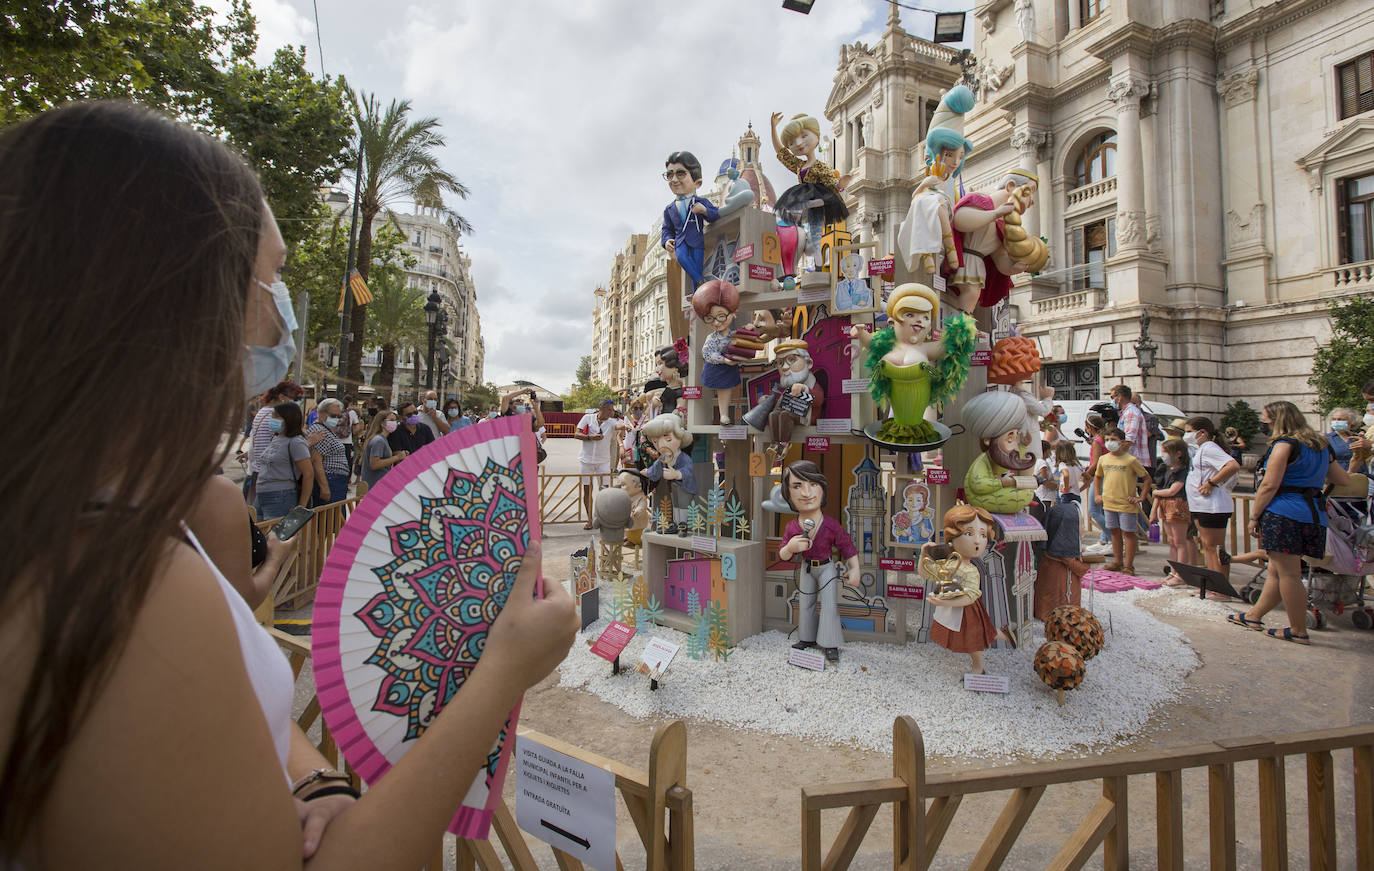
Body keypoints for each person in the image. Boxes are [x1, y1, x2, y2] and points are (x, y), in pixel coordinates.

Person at [0, 101, 579, 868]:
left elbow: (239, 725)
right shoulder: (121, 593)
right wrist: (506, 665)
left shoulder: (125, 521)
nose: (282, 321)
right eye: (270, 277)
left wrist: (312, 786)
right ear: (181, 298)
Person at [1227, 401, 1349, 644]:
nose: (1264, 424)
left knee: (1289, 575)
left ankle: (1298, 630)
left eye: (1266, 420)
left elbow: (1269, 485)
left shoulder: (1284, 445)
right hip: (1313, 515)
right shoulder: (1322, 446)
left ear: (1277, 420)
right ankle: (1254, 615)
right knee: (1276, 570)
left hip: (1284, 513)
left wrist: (1254, 517)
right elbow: (1341, 478)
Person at [777, 461, 861, 664]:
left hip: (826, 567)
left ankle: (830, 643)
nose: (806, 493)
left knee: (829, 604)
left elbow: (846, 545)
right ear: (788, 494)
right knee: (805, 603)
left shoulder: (831, 525)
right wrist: (790, 548)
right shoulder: (792, 527)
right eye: (797, 486)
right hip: (806, 567)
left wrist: (855, 568)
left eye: (813, 484)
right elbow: (783, 554)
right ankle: (806, 638)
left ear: (822, 488)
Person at [1184, 416, 1242, 582]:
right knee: (1208, 547)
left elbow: (1232, 465)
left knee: (1214, 548)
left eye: (1189, 432)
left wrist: (1211, 483)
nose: (1186, 436)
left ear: (1202, 432)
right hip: (1200, 505)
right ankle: (1214, 584)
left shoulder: (1209, 447)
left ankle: (1221, 585)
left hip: (1212, 506)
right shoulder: (1201, 449)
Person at [1093, 426, 1149, 574]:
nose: (1109, 442)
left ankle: (1129, 565)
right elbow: (1097, 477)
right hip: (1109, 502)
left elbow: (1146, 478)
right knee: (1114, 531)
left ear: (1122, 442)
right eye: (1107, 440)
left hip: (1126, 503)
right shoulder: (1103, 459)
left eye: (1113, 439)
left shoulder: (1131, 460)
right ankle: (1117, 561)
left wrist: (1141, 497)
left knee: (1129, 533)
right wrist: (1097, 495)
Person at [659, 151, 719, 288]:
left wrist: (704, 210)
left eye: (680, 174)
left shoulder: (701, 201)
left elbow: (716, 214)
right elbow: (667, 229)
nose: (674, 179)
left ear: (697, 182)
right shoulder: (669, 209)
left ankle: (698, 293)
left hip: (696, 241)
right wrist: (667, 240)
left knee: (696, 268)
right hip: (680, 242)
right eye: (669, 175)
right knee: (681, 257)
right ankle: (701, 282)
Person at [239, 380, 303, 504]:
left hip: (258, 473)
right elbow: (288, 444)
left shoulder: (263, 412)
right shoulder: (274, 416)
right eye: (295, 399)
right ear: (282, 397)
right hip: (272, 478)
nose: (297, 402)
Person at [254, 401, 314, 521]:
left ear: (288, 418)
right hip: (262, 495)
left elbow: (308, 474)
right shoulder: (276, 438)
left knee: (275, 537)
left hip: (280, 496)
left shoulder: (296, 442)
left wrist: (301, 507)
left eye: (276, 416)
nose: (272, 419)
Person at [1151, 438, 1193, 585]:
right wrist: (1154, 509)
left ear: (1178, 453)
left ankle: (1181, 574)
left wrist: (1157, 493)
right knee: (1172, 541)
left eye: (1166, 452)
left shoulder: (1183, 471)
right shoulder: (1166, 469)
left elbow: (1173, 490)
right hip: (1165, 504)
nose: (1163, 455)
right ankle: (1173, 571)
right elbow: (1161, 489)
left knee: (1180, 541)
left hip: (1177, 505)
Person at [575, 399, 618, 529]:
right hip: (586, 460)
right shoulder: (588, 418)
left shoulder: (612, 422)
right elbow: (576, 434)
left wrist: (626, 427)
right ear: (602, 408)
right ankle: (589, 519)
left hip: (603, 461)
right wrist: (590, 438)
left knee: (604, 491)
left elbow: (619, 426)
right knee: (587, 490)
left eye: (613, 410)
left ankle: (602, 519)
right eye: (609, 409)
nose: (612, 412)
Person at [305, 398, 350, 507]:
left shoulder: (327, 429)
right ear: (320, 413)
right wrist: (324, 487)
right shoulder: (319, 431)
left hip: (336, 481)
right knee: (330, 519)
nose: (336, 419)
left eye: (338, 416)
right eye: (333, 416)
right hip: (330, 480)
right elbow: (316, 461)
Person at [1082, 412, 1112, 554]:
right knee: (1102, 510)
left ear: (1089, 427)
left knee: (1093, 510)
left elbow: (1096, 462)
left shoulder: (1097, 441)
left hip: (1100, 477)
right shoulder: (1104, 439)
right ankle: (1104, 539)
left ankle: (1113, 539)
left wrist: (1086, 475)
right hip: (1107, 475)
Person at [360, 410, 407, 490]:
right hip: (375, 485)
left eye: (395, 420)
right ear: (382, 423)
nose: (394, 423)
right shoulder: (379, 441)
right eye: (391, 420)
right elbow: (374, 464)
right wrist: (397, 457)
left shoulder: (382, 439)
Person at [1111, 384, 1151, 467]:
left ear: (1120, 397)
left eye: (1112, 397)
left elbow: (1128, 441)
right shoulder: (1125, 413)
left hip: (1131, 462)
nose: (1112, 401)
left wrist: (1115, 459)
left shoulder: (1131, 413)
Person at [1325, 407, 1369, 474]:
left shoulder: (1358, 438)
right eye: (1334, 419)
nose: (1336, 422)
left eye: (1340, 419)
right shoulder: (1326, 439)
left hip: (1359, 477)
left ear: (1351, 421)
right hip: (1338, 477)